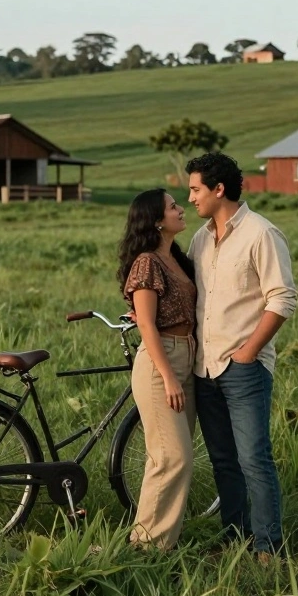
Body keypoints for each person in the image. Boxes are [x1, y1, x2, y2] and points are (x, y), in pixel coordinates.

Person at [186, 152, 297, 561]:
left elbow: (283, 298)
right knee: (223, 461)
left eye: (196, 189)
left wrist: (249, 352)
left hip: (242, 368)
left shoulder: (261, 233)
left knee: (253, 458)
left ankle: (269, 546)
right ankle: (234, 539)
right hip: (204, 367)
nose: (191, 197)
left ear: (219, 189)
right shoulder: (200, 239)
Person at [117, 188, 197, 550]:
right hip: (160, 360)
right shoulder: (147, 262)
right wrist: (167, 376)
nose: (181, 209)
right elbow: (147, 325)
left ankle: (153, 540)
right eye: (173, 206)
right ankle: (149, 547)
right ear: (155, 220)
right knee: (173, 457)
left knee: (166, 457)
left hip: (187, 356)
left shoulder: (178, 258)